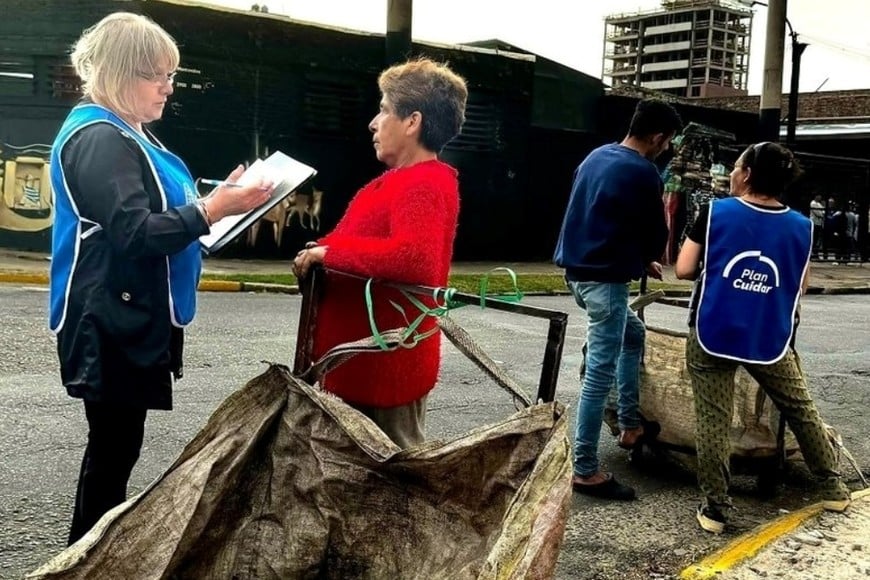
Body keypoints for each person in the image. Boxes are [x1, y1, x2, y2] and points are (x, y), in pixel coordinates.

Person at [49, 12, 274, 545]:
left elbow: (151, 214)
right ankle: (85, 561)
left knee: (115, 450)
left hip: (121, 312)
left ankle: (89, 557)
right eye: (158, 75)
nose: (169, 88)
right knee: (112, 454)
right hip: (109, 319)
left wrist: (216, 204)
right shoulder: (102, 137)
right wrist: (212, 209)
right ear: (122, 73)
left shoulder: (122, 131)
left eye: (171, 75)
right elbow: (134, 233)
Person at [675, 142, 852, 534]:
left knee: (713, 419)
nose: (733, 173)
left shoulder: (714, 212)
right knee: (800, 408)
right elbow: (800, 285)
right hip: (770, 337)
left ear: (748, 174)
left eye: (737, 166)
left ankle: (717, 509)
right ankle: (832, 486)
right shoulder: (803, 227)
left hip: (712, 332)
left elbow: (684, 269)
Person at [292, 58, 467, 449]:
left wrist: (328, 255)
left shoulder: (426, 182)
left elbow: (413, 258)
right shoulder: (395, 182)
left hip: (384, 375)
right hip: (359, 370)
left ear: (412, 122)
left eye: (385, 109)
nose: (374, 122)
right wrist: (318, 253)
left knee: (391, 487)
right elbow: (347, 244)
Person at [553, 99, 682, 500]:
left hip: (577, 273)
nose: (665, 149)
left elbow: (599, 216)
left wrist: (637, 259)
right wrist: (645, 256)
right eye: (667, 142)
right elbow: (655, 236)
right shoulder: (643, 172)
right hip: (606, 283)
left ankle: (630, 425)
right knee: (598, 377)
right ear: (658, 137)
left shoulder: (596, 157)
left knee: (634, 335)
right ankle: (585, 469)